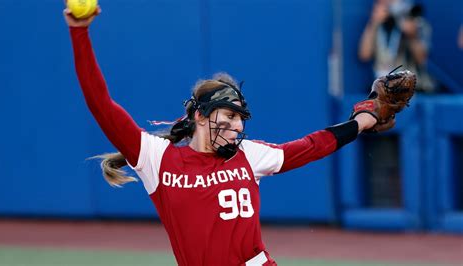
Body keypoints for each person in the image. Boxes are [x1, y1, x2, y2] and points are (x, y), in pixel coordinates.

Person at [64, 6, 381, 266]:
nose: (238, 126)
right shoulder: (157, 158)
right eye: (229, 116)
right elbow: (100, 103)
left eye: (240, 119)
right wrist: (80, 32)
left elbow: (310, 147)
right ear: (200, 116)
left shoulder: (249, 155)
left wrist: (361, 123)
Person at [359, 0, 435, 92]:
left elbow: (421, 59)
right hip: (383, 89)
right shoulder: (379, 24)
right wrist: (374, 23)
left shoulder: (417, 21)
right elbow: (364, 55)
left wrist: (412, 36)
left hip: (410, 90)